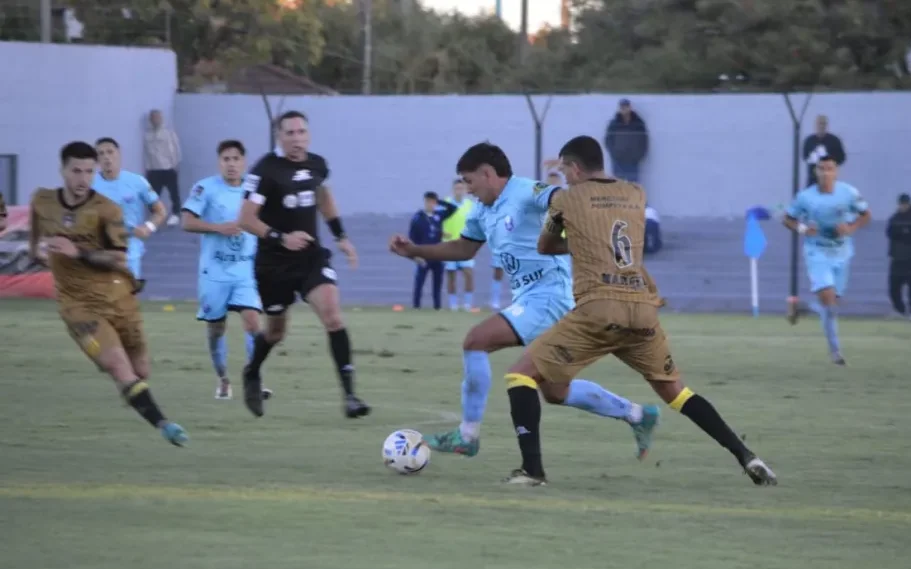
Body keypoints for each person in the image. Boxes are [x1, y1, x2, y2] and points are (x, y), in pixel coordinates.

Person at [498, 135, 775, 486]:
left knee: (520, 376)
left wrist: (577, 240)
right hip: (642, 308)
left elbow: (546, 245)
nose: (564, 178)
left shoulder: (568, 198)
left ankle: (532, 471)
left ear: (576, 167)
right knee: (678, 393)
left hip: (598, 309)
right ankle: (746, 456)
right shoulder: (636, 193)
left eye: (565, 170)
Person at [389, 142, 659, 460]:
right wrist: (416, 250)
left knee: (476, 341)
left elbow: (562, 197)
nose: (468, 190)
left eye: (470, 181)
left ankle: (467, 436)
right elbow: (464, 249)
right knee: (555, 391)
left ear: (488, 174)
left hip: (551, 296)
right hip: (532, 299)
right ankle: (638, 415)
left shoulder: (526, 191)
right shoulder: (482, 209)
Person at [29, 141, 187, 446]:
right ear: (62, 170)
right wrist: (37, 250)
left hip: (118, 297)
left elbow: (118, 258)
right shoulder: (42, 200)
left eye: (89, 171)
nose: (83, 178)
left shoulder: (106, 209)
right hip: (77, 305)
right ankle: (165, 425)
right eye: (76, 171)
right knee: (118, 365)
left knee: (140, 371)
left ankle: (132, 392)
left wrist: (78, 253)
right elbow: (38, 236)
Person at [237, 110, 367, 418]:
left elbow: (323, 198)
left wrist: (341, 236)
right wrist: (280, 237)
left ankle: (350, 396)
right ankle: (252, 371)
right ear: (279, 137)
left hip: (310, 257)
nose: (297, 138)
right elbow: (244, 219)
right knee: (275, 333)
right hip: (273, 265)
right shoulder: (265, 170)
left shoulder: (317, 164)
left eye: (302, 132)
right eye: (290, 133)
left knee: (333, 317)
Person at [182, 139, 272, 400]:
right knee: (216, 329)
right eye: (226, 159)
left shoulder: (254, 190)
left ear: (243, 162)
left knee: (254, 322)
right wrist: (218, 228)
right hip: (215, 273)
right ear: (219, 162)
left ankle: (253, 378)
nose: (231, 164)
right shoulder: (205, 188)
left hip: (246, 271)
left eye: (235, 159)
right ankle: (222, 378)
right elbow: (187, 221)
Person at [783, 155, 872, 365]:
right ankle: (836, 353)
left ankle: (803, 309)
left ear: (836, 171)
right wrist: (804, 229)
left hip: (842, 253)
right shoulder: (806, 197)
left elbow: (866, 215)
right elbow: (787, 218)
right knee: (829, 301)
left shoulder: (848, 193)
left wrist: (850, 228)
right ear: (816, 171)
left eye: (829, 169)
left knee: (831, 307)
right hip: (817, 253)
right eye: (821, 169)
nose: (825, 173)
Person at [92, 137, 167, 289]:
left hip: (129, 248)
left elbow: (160, 211)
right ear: (97, 159)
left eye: (110, 152)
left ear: (118, 154)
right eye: (101, 153)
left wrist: (148, 227)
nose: (106, 157)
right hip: (99, 248)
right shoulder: (89, 185)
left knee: (125, 297)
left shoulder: (137, 182)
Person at [409, 191, 456, 310]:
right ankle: (416, 306)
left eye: (433, 202)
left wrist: (439, 201)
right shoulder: (418, 217)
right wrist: (415, 256)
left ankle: (437, 307)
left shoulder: (439, 215)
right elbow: (412, 238)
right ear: (425, 202)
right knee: (420, 282)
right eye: (428, 202)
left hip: (437, 254)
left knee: (437, 283)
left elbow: (453, 208)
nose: (431, 204)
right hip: (423, 254)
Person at [442, 179, 478, 311]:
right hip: (449, 245)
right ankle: (453, 304)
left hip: (465, 245)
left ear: (465, 190)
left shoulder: (470, 205)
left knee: (468, 274)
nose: (459, 191)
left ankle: (468, 304)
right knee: (451, 275)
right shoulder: (445, 204)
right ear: (453, 190)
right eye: (457, 189)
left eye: (461, 189)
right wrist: (442, 232)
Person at [886, 193, 911, 319]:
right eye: (901, 203)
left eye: (905, 203)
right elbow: (890, 232)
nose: (903, 206)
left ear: (909, 203)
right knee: (893, 287)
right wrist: (904, 231)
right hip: (896, 257)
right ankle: (899, 309)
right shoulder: (894, 218)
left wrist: (902, 232)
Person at [144, 109, 183, 226]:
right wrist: (148, 169)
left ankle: (176, 214)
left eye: (158, 117)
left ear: (161, 119)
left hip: (168, 168)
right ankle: (156, 216)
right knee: (153, 196)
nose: (156, 120)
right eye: (153, 118)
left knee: (174, 194)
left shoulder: (168, 133)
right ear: (150, 120)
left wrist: (176, 164)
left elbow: (175, 149)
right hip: (154, 170)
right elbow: (146, 153)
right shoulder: (147, 134)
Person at [604, 98, 648, 184]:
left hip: (633, 163)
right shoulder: (614, 124)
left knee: (633, 189)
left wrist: (638, 157)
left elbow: (644, 142)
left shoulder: (638, 123)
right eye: (622, 107)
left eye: (626, 106)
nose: (624, 109)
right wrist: (615, 154)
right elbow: (608, 140)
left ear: (630, 107)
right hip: (618, 162)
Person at [802, 115, 846, 187]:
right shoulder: (809, 141)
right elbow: (805, 157)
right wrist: (814, 158)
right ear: (815, 125)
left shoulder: (834, 140)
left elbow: (842, 158)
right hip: (813, 180)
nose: (821, 126)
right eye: (819, 123)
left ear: (827, 125)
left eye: (823, 124)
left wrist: (829, 160)